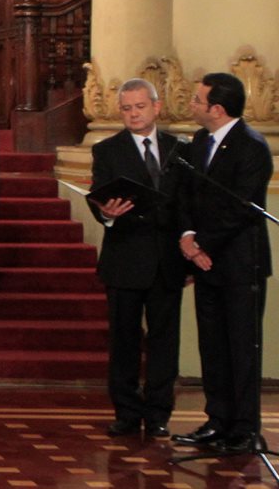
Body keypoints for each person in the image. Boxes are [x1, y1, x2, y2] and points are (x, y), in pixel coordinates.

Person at [172, 73, 273, 454]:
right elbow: (186, 194)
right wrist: (186, 236)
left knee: (241, 350)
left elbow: (241, 209)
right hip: (205, 263)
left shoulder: (252, 147)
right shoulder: (199, 141)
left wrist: (200, 243)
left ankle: (244, 429)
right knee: (212, 346)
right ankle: (217, 421)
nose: (193, 105)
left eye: (198, 100)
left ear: (217, 108)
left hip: (239, 264)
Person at [90, 78, 186, 438]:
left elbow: (186, 207)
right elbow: (99, 199)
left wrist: (188, 254)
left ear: (156, 107)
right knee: (125, 340)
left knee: (165, 341)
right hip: (125, 259)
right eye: (127, 108)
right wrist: (109, 213)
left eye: (140, 107)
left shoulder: (180, 150)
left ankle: (159, 412)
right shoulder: (108, 151)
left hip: (167, 262)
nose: (133, 114)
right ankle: (127, 411)